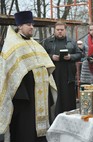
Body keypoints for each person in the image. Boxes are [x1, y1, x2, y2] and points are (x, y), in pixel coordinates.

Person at [0, 11, 57, 142]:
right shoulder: (12, 47)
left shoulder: (36, 45)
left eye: (32, 24)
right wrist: (22, 94)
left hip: (40, 96)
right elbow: (8, 74)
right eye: (28, 24)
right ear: (19, 26)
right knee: (25, 132)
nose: (32, 27)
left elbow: (46, 66)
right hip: (25, 99)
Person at [43, 21, 81, 116]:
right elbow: (42, 56)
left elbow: (80, 54)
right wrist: (51, 57)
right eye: (58, 30)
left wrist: (71, 57)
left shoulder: (72, 42)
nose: (60, 32)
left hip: (68, 75)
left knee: (68, 98)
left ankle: (70, 118)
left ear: (65, 30)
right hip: (54, 74)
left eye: (62, 30)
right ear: (54, 30)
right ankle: (54, 118)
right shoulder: (48, 42)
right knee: (55, 97)